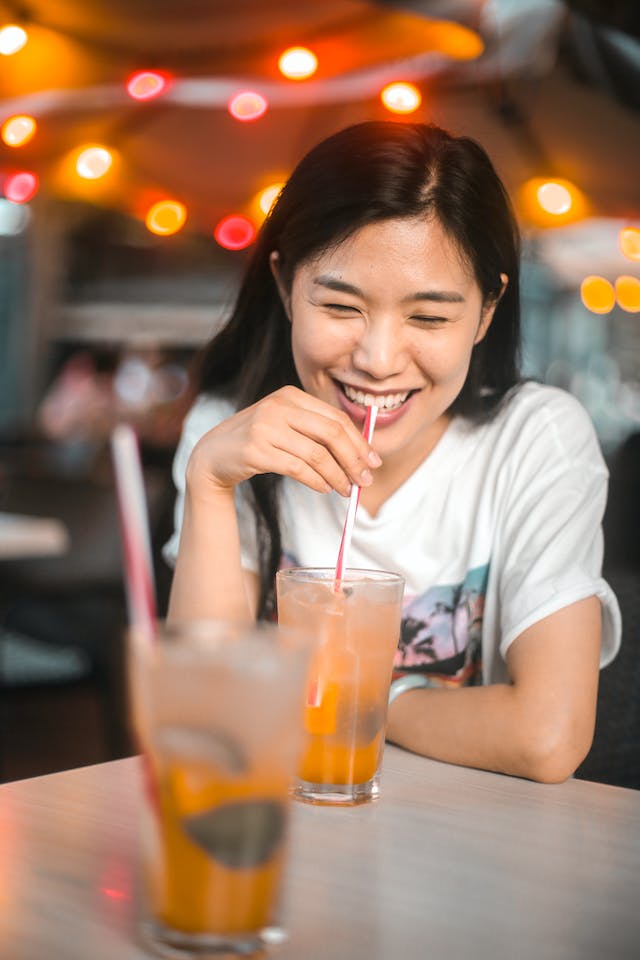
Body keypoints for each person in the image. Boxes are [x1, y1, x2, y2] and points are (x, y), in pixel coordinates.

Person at [163, 120, 621, 783]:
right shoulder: (228, 431)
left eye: (429, 317)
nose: (378, 361)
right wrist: (209, 482)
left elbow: (547, 737)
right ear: (288, 284)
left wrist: (356, 698)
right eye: (342, 306)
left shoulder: (537, 441)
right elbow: (205, 714)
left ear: (487, 310)